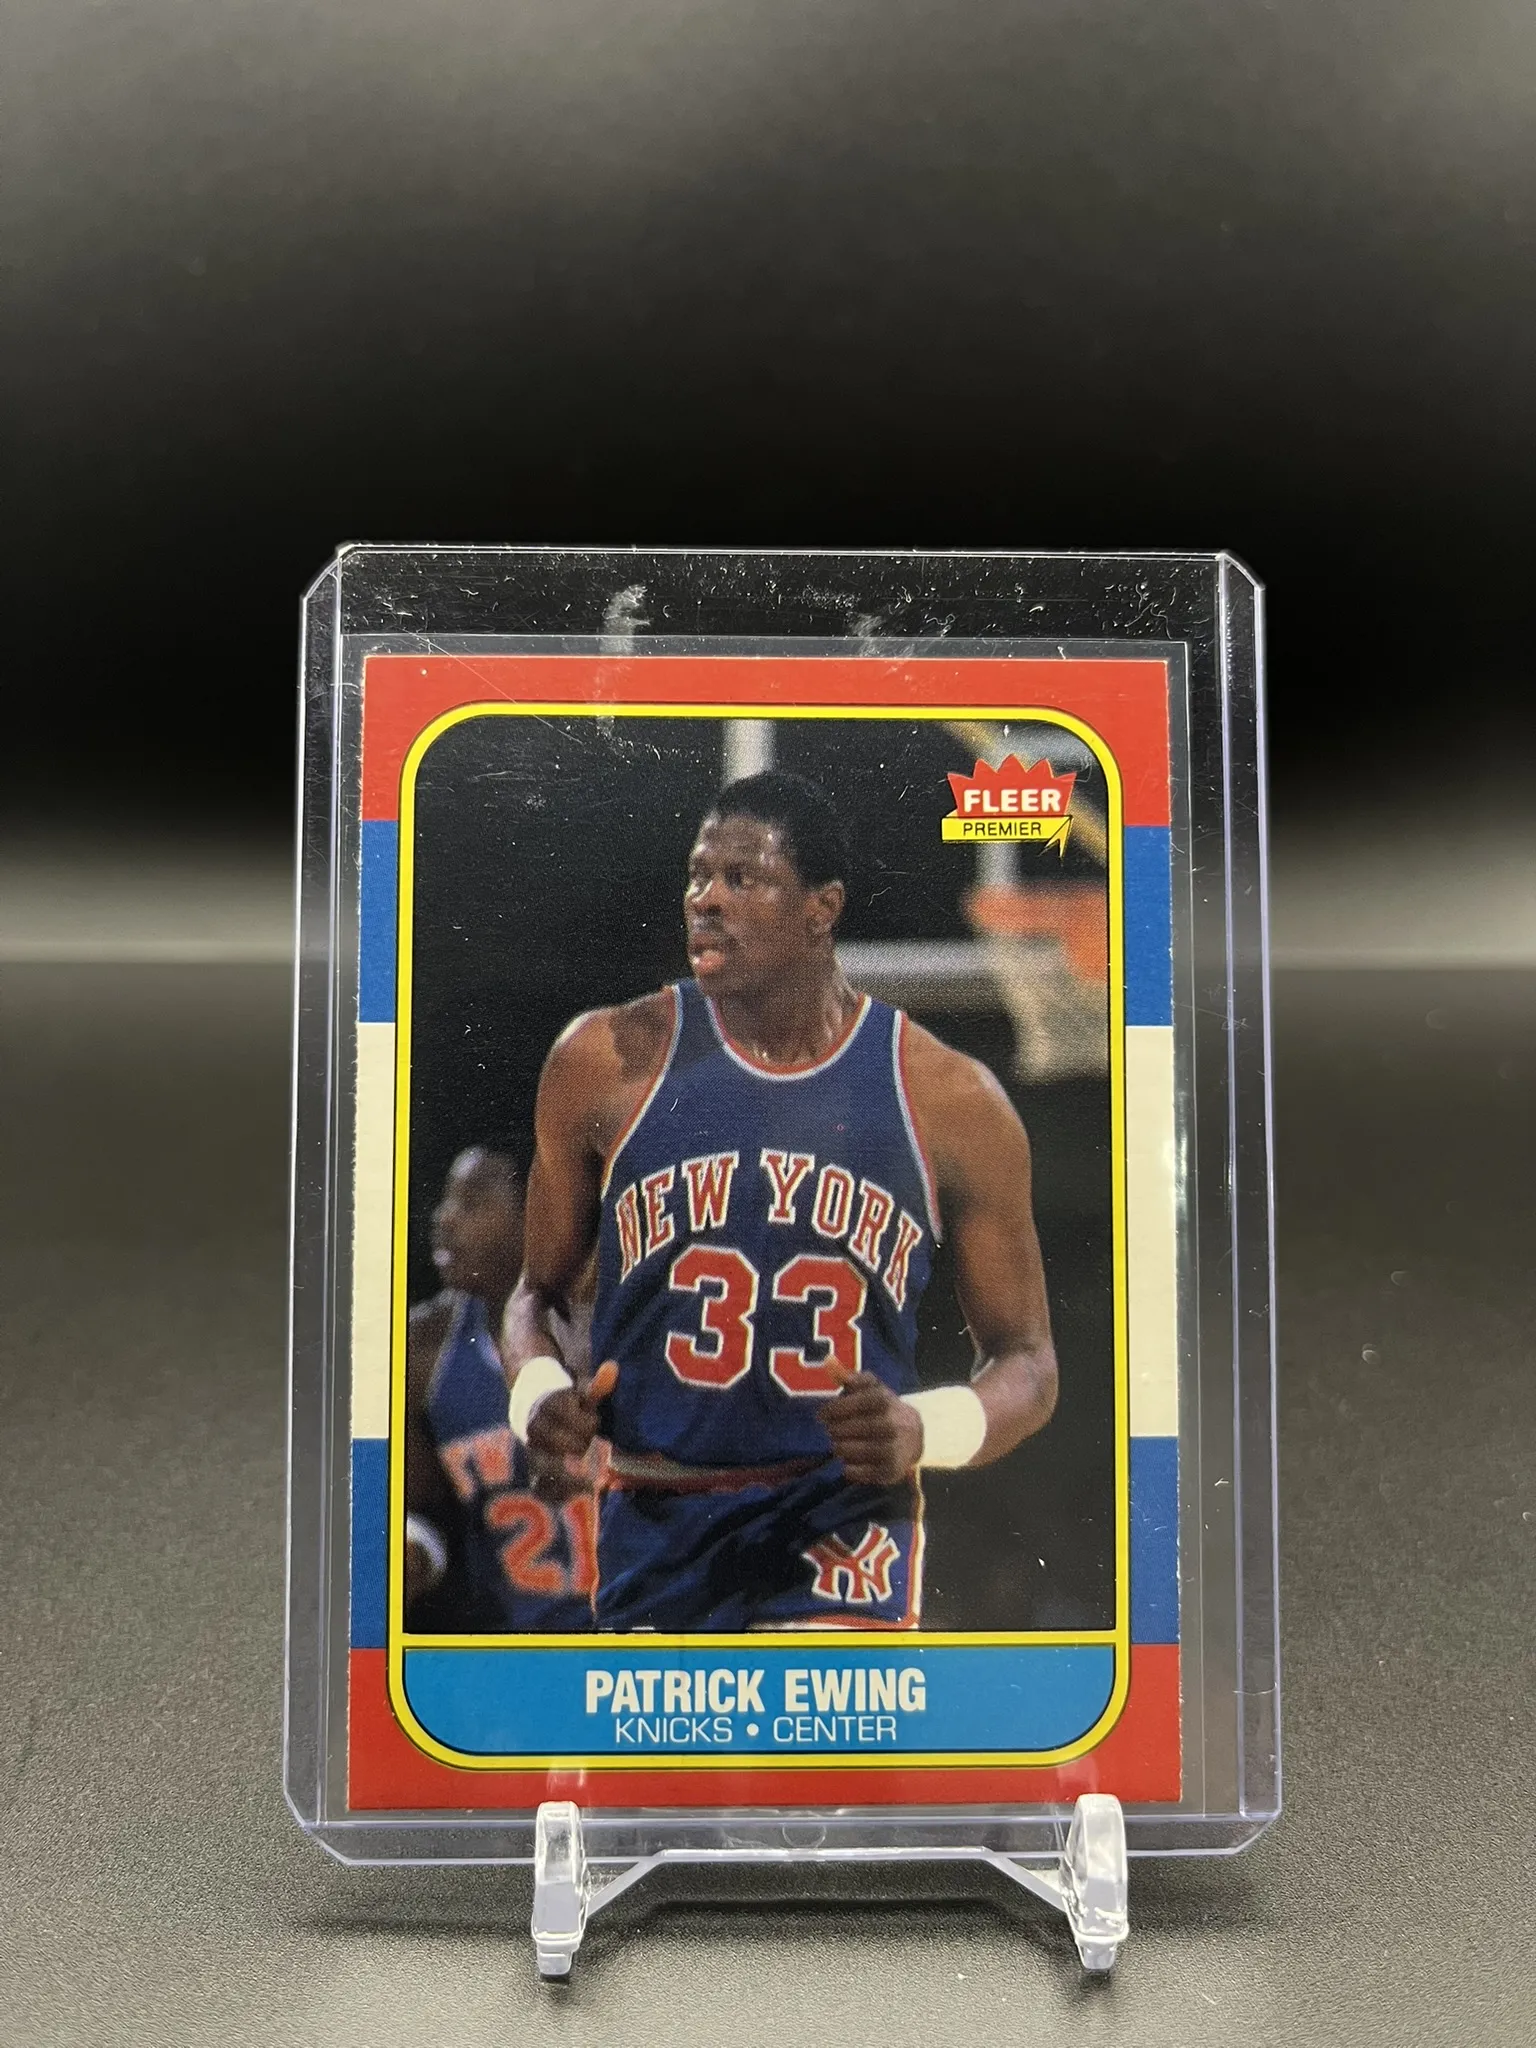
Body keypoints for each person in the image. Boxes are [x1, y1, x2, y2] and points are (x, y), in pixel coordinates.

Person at [502, 770, 1058, 1632]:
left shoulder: (949, 1098)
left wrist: (922, 1427)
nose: (706, 900)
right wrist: (538, 1392)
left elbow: (1029, 1363)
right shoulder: (603, 1060)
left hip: (840, 1518)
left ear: (821, 908)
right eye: (698, 876)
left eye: (742, 878)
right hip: (657, 1510)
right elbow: (536, 1295)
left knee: (820, 1718)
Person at [405, 1146, 596, 1631]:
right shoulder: (423, 1347)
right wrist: (415, 1551)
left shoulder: (614, 1321)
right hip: (515, 1647)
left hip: (639, 1641)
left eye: (470, 1202)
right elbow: (424, 1514)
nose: (443, 1219)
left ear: (538, 1211)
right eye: (446, 1200)